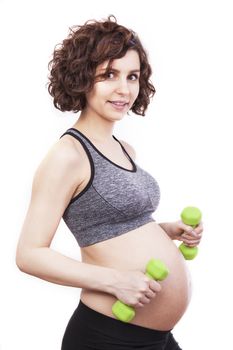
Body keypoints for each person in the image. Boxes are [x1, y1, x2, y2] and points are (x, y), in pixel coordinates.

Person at [16, 15, 203, 350]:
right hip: (108, 337)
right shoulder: (68, 155)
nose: (124, 89)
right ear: (83, 78)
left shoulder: (124, 149)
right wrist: (116, 281)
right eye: (109, 75)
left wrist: (166, 230)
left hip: (155, 337)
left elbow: (111, 231)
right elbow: (29, 254)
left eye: (132, 76)